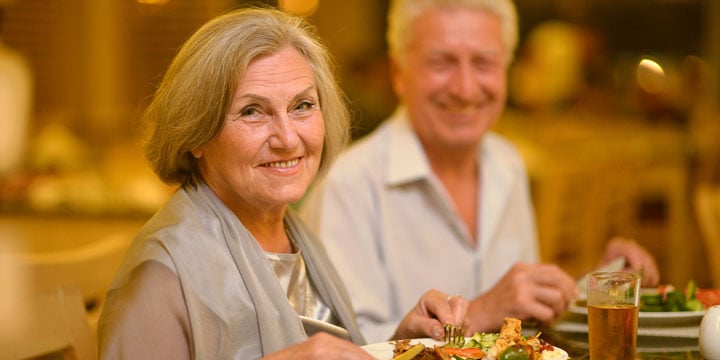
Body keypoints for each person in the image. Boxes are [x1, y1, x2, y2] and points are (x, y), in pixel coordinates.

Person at [96, 7, 469, 359]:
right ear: (196, 134)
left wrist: (400, 344)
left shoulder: (292, 234)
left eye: (302, 106)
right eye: (252, 112)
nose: (288, 139)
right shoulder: (162, 273)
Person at [299, 0, 659, 343]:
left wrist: (597, 286)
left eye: (484, 63)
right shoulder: (346, 185)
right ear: (399, 73)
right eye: (442, 63)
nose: (466, 88)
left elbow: (523, 322)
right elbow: (338, 348)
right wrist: (482, 312)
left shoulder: (509, 165)